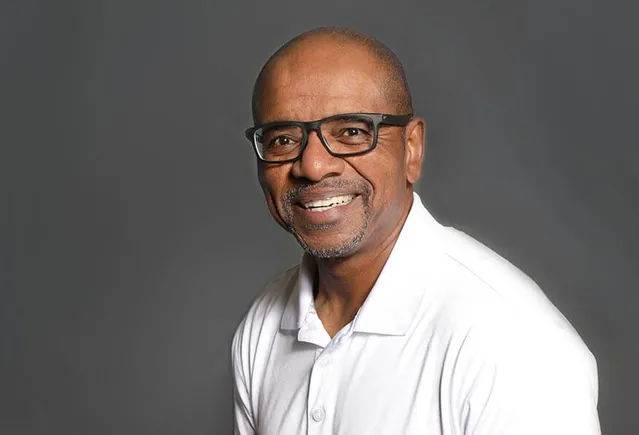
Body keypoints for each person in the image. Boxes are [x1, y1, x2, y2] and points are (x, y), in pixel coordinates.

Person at [231, 27, 600, 434]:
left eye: (351, 132)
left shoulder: (511, 343)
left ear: (412, 149)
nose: (313, 166)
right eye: (283, 139)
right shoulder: (263, 326)